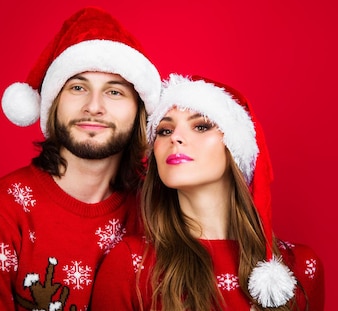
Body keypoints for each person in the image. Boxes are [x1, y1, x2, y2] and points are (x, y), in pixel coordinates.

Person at [0, 7, 161, 311]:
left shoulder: (158, 212)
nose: (94, 106)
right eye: (78, 87)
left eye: (114, 92)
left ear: (139, 111)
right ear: (53, 104)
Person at [90, 73, 325, 310]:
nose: (176, 138)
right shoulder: (131, 265)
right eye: (164, 130)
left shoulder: (301, 267)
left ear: (234, 148)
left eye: (201, 126)